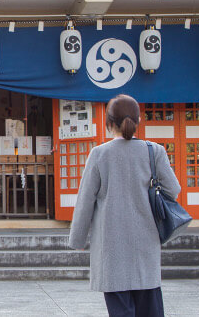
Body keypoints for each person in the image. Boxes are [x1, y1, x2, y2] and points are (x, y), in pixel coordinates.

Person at [68, 94, 181, 317]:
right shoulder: (154, 151)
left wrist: (77, 240)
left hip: (112, 248)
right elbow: (174, 190)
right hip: (146, 246)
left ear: (109, 123)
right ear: (138, 121)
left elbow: (85, 202)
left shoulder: (99, 154)